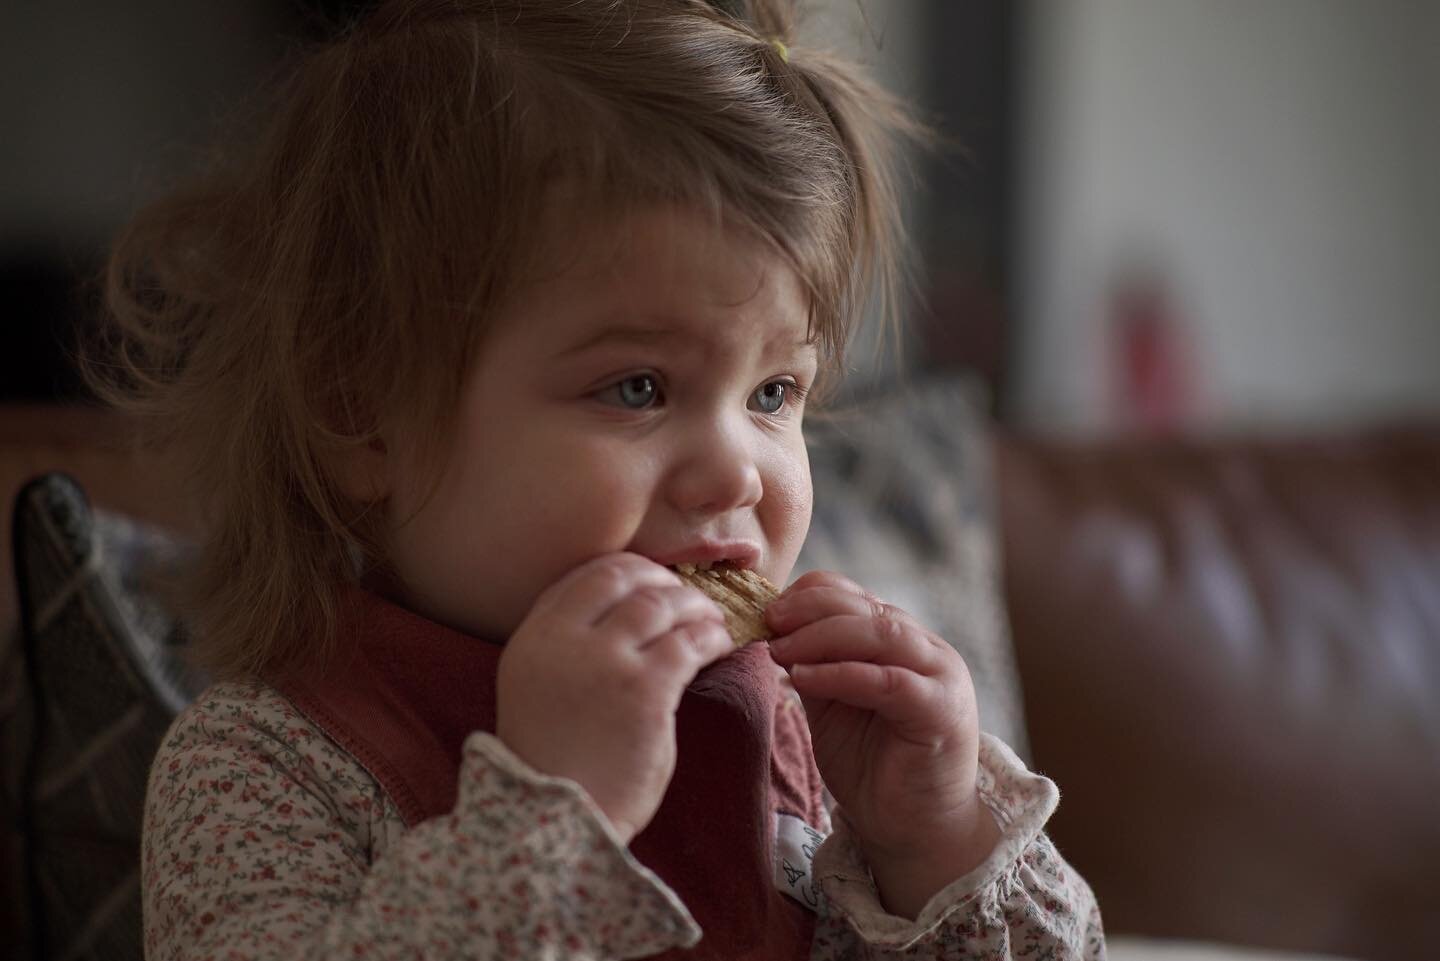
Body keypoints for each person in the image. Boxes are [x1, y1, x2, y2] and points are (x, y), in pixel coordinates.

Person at [92, 1, 1105, 957]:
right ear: (365, 419)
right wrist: (545, 814)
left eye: (773, 392)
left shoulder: (807, 737)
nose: (735, 470)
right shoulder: (265, 765)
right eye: (637, 386)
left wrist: (938, 840)